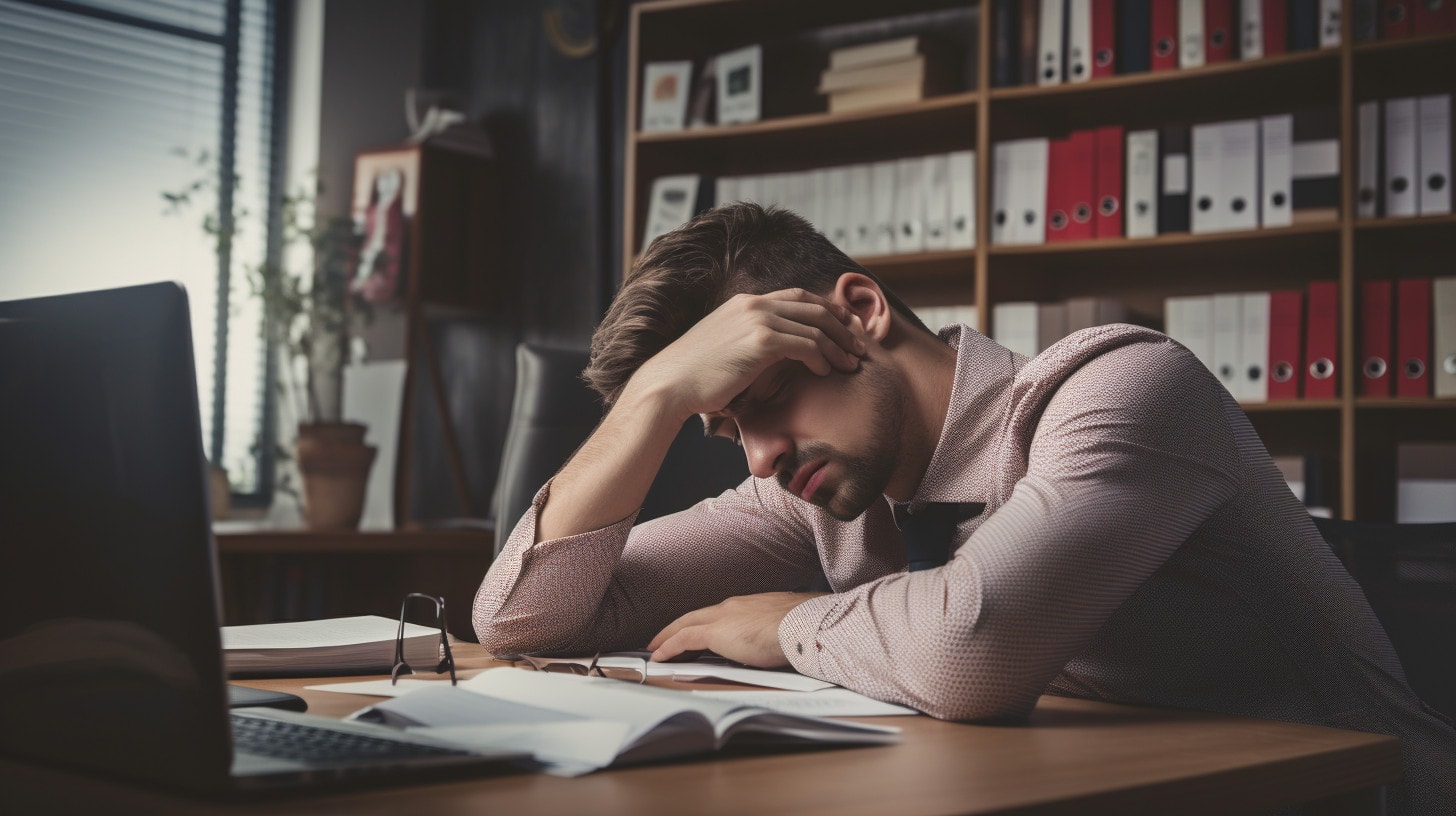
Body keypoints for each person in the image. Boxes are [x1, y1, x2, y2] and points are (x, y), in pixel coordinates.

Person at [474, 203, 1454, 812]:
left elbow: (968, 655)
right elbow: (525, 618)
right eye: (728, 428)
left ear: (858, 314)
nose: (764, 457)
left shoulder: (1123, 388)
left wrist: (788, 625)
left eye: (766, 399)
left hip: (1349, 800)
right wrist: (655, 400)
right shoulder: (821, 493)